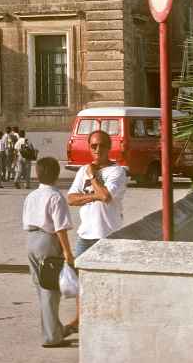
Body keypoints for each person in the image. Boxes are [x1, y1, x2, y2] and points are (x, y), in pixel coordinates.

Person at [66, 129, 128, 331]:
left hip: (108, 236)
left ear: (109, 148)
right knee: (79, 279)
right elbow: (71, 198)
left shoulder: (117, 172)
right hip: (85, 235)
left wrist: (93, 178)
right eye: (94, 146)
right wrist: (94, 196)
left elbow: (107, 196)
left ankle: (108, 319)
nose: (98, 150)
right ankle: (79, 319)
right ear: (89, 147)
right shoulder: (83, 170)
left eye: (102, 146)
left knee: (108, 280)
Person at [22, 157, 76, 348]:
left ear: (37, 174)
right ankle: (51, 336)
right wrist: (68, 252)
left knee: (41, 288)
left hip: (31, 240)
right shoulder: (55, 197)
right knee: (51, 290)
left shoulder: (31, 196)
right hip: (48, 240)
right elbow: (60, 228)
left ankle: (54, 329)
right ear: (57, 174)